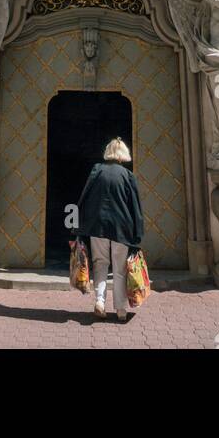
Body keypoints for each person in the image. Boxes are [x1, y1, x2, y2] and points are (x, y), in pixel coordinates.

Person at [77, 137, 144, 321]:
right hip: (122, 228)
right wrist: (138, 233)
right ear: (124, 154)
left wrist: (80, 226)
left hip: (98, 226)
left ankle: (99, 301)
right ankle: (121, 310)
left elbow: (85, 197)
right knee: (120, 268)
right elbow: (135, 206)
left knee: (100, 264)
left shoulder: (97, 171)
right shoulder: (128, 176)